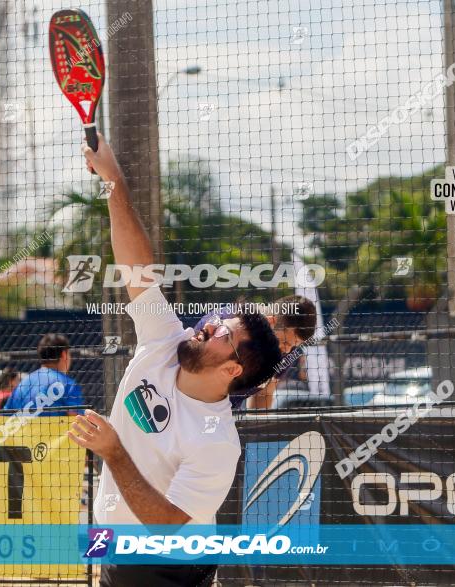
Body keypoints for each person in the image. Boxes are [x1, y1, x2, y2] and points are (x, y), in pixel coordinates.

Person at [67, 133, 282, 587]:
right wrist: (113, 179)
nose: (208, 324)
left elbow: (167, 525)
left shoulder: (216, 442)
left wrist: (114, 452)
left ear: (233, 368)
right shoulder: (166, 340)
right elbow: (137, 267)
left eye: (222, 331)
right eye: (216, 317)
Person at [193, 295, 316, 409]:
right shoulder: (223, 321)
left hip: (225, 418)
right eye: (284, 343)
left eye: (294, 346)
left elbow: (264, 392)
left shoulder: (283, 354)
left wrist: (258, 430)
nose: (287, 350)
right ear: (271, 321)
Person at [3, 333, 83, 416]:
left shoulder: (22, 384)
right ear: (64, 354)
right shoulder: (68, 384)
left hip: (23, 429)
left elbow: (5, 417)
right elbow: (77, 421)